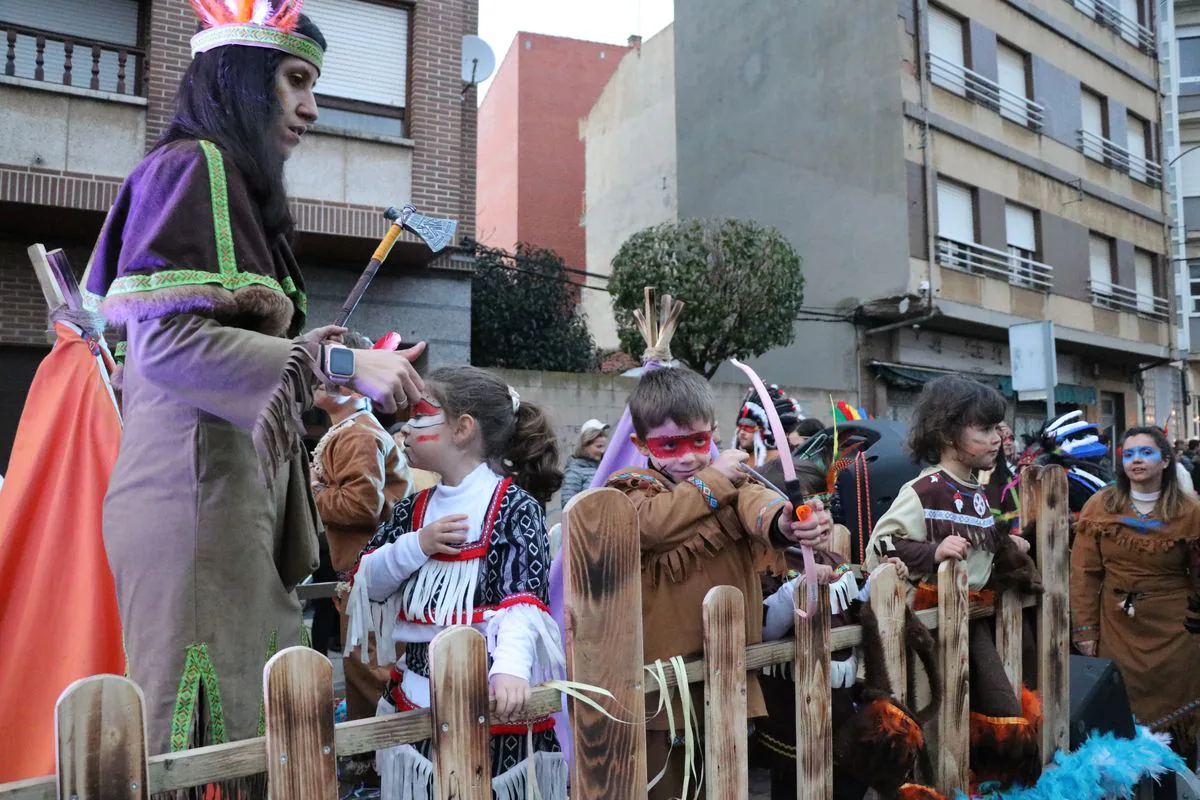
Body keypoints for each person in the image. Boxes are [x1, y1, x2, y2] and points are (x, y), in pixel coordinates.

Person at [81, 0, 426, 767]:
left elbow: (217, 343)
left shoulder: (221, 178)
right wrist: (343, 365)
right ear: (241, 78)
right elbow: (168, 343)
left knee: (247, 732)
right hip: (192, 506)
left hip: (220, 505)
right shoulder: (191, 167)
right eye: (296, 80)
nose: (312, 106)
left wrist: (312, 351)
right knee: (210, 740)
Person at [606, 367, 830, 800]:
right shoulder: (630, 490)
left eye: (699, 441)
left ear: (714, 433)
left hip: (726, 671)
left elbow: (760, 507)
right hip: (662, 688)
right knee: (666, 787)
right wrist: (714, 479)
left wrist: (788, 523)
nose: (688, 457)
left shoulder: (734, 482)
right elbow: (651, 527)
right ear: (640, 445)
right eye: (669, 445)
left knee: (725, 784)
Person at [342, 366, 567, 798]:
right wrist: (418, 546)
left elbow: (522, 601)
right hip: (417, 697)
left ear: (463, 429)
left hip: (492, 699)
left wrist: (511, 670)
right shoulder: (412, 510)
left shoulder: (514, 507)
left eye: (420, 417)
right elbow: (365, 586)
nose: (404, 430)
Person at [864, 376, 1043, 791]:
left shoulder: (977, 490)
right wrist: (933, 552)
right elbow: (880, 546)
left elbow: (979, 543)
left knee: (977, 712)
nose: (998, 437)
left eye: (998, 427)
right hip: (929, 625)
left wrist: (1005, 542)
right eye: (984, 429)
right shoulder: (925, 490)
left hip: (969, 617)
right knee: (937, 722)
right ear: (946, 433)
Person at [1071, 427, 1200, 789]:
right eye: (1129, 454)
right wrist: (1084, 631)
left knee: (1178, 735)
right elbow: (1084, 574)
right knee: (1120, 727)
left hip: (1176, 635)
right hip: (1117, 629)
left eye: (1146, 453)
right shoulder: (1101, 505)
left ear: (1165, 460)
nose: (1137, 460)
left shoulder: (1191, 511)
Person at [560, 419, 609, 507]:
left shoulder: (603, 468)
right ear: (585, 446)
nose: (603, 451)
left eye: (604, 446)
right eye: (598, 446)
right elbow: (567, 505)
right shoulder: (574, 471)